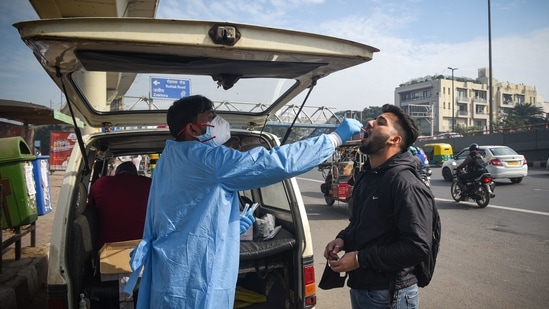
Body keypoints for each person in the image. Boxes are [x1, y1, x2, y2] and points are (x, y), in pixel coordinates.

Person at [124, 95, 363, 309]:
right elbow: (274, 163)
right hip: (195, 275)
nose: (218, 122)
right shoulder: (208, 159)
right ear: (193, 129)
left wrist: (229, 227)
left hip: (171, 268)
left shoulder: (171, 155)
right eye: (211, 117)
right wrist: (333, 139)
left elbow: (187, 212)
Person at [323, 104, 436, 308]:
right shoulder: (368, 176)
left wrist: (359, 259)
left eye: (380, 122)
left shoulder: (405, 183)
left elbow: (418, 246)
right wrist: (342, 239)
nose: (370, 123)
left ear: (394, 140)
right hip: (363, 288)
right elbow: (362, 223)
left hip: (390, 295)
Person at [87, 161, 152, 248]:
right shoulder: (148, 184)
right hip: (142, 246)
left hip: (107, 247)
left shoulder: (100, 183)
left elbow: (91, 207)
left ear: (116, 173)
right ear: (135, 174)